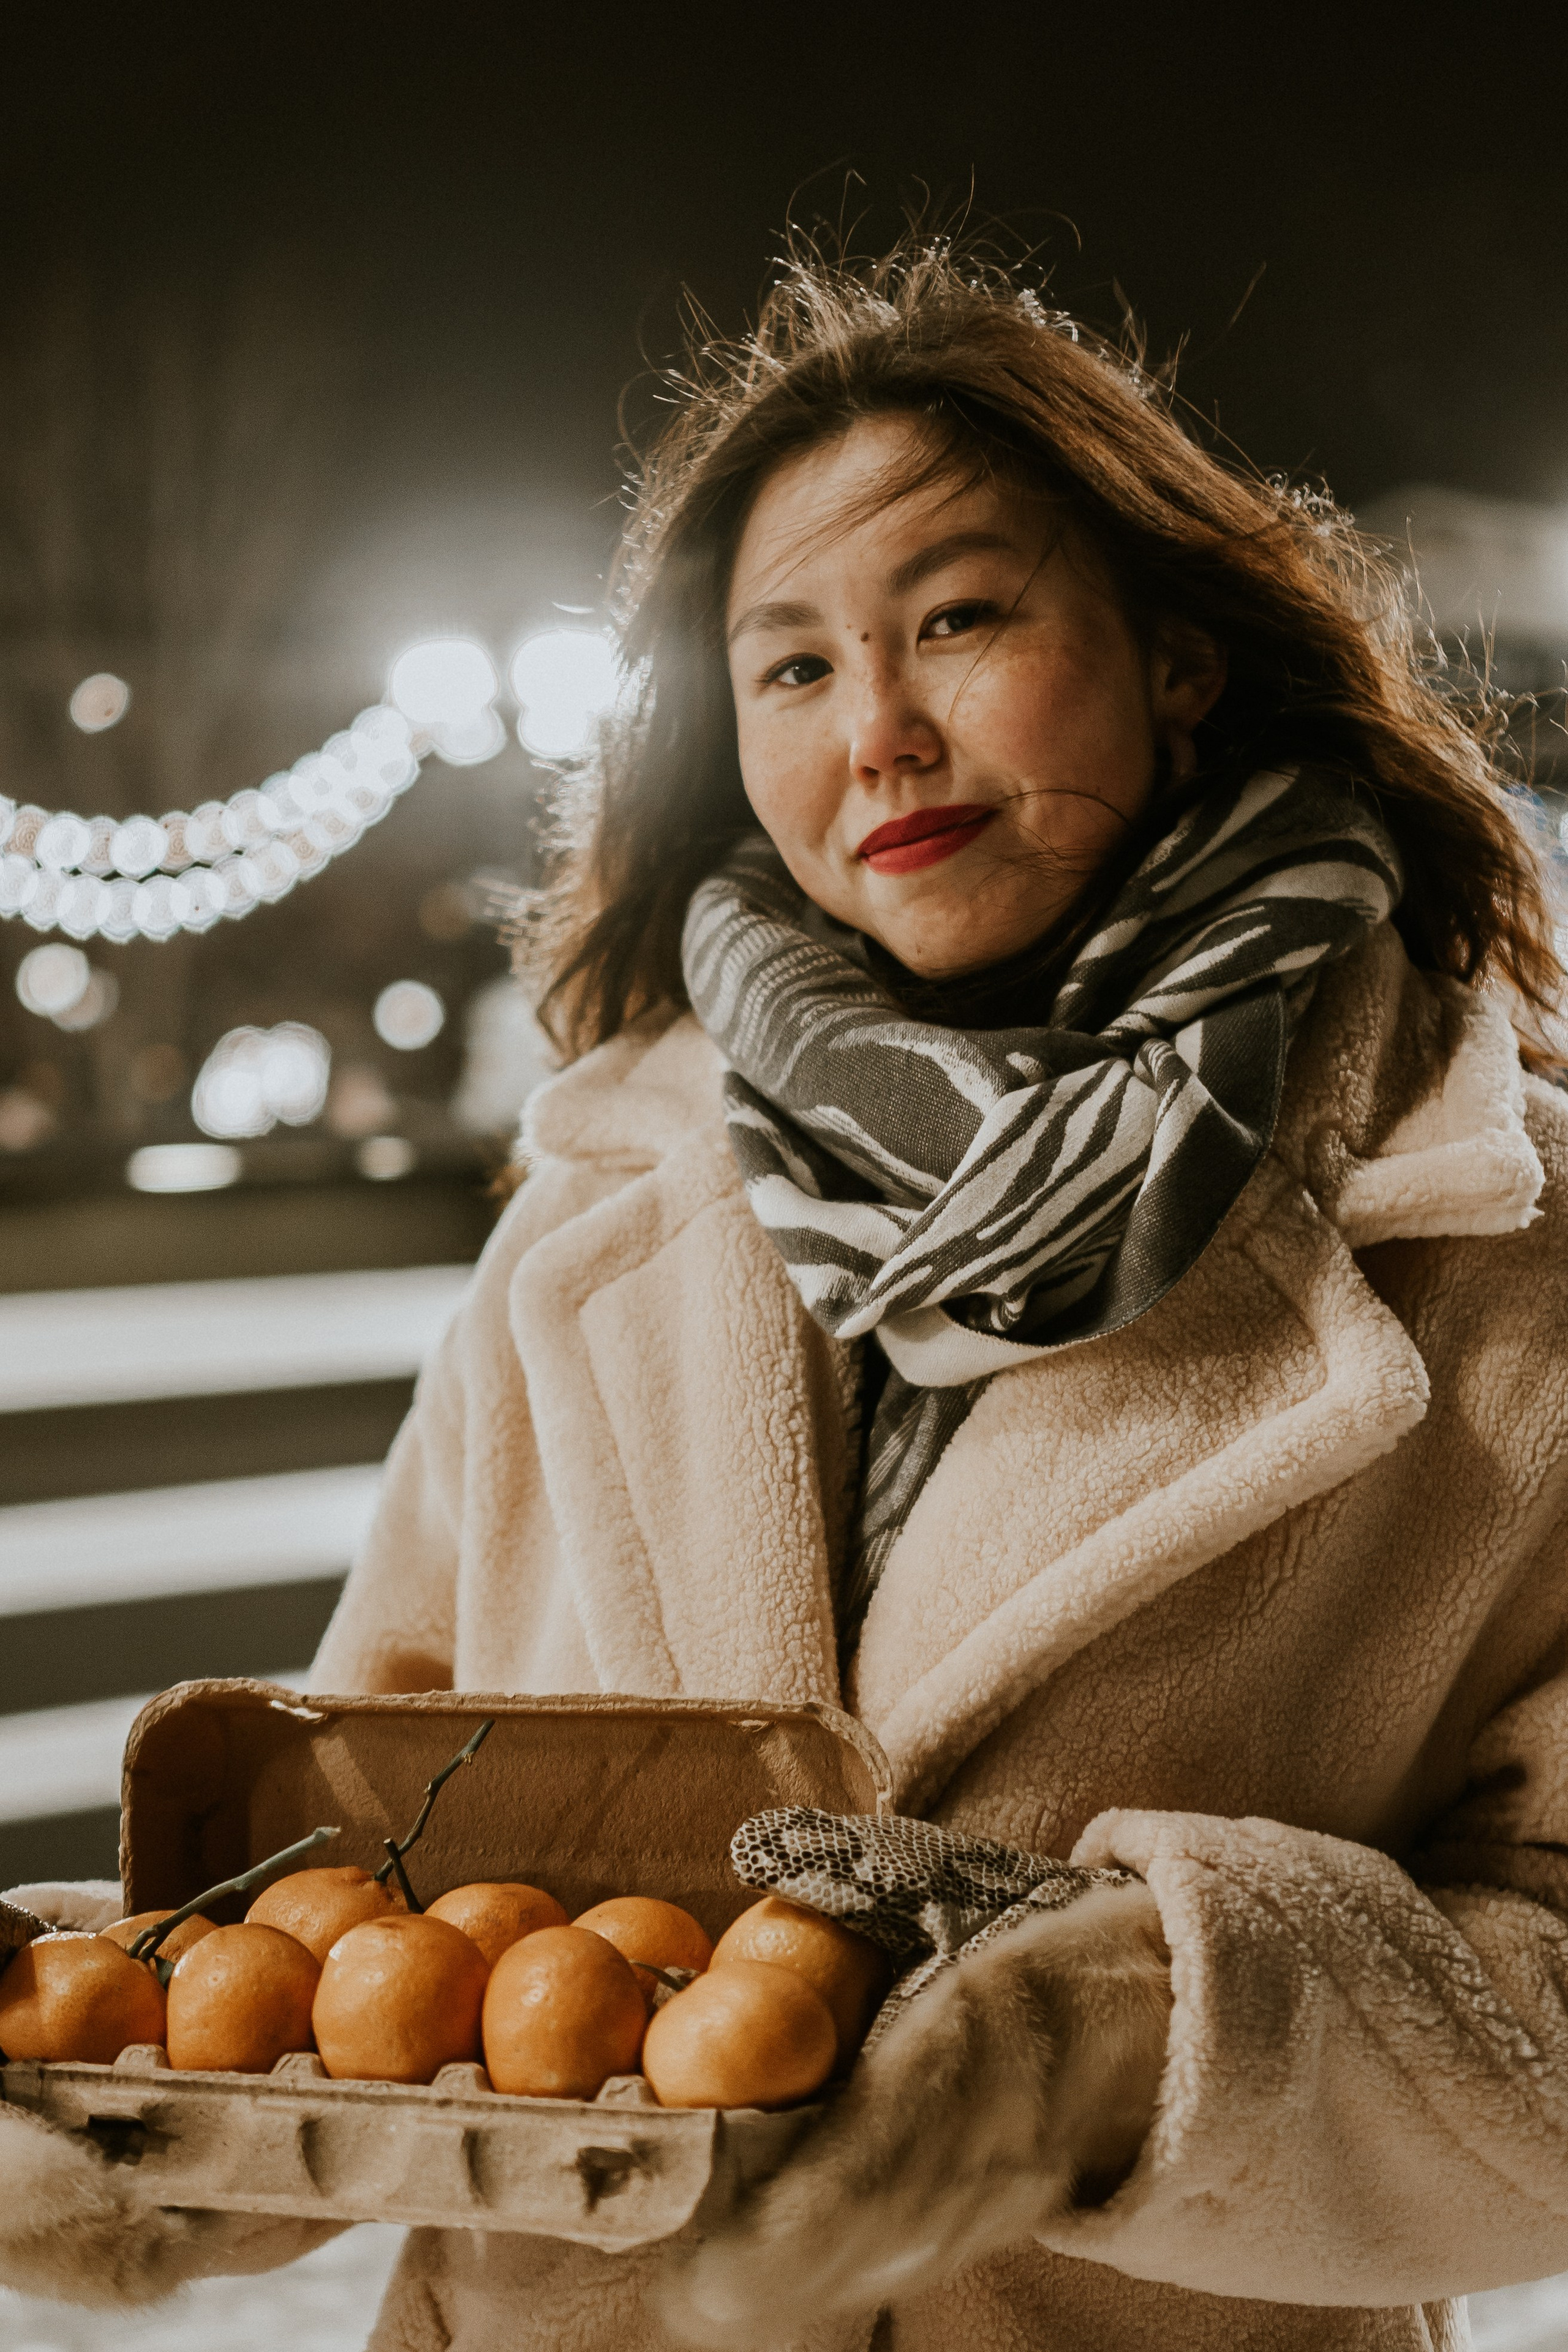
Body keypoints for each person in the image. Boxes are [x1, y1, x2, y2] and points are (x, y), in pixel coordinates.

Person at [7, 239, 1568, 2352]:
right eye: (796, 668)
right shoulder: (602, 1201)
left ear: (1180, 655)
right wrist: (125, 2059)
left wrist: (1121, 2045)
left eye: (960, 620)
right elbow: (390, 1889)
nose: (882, 734)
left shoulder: (1492, 1236)